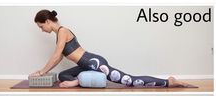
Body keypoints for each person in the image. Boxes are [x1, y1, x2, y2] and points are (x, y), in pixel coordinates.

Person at [30, 9, 190, 88]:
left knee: (131, 81)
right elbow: (58, 57)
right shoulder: (59, 33)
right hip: (85, 64)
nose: (41, 29)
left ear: (48, 21)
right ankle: (78, 81)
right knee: (64, 75)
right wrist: (44, 70)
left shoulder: (63, 31)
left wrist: (42, 72)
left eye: (41, 26)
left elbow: (57, 55)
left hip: (94, 63)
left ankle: (168, 82)